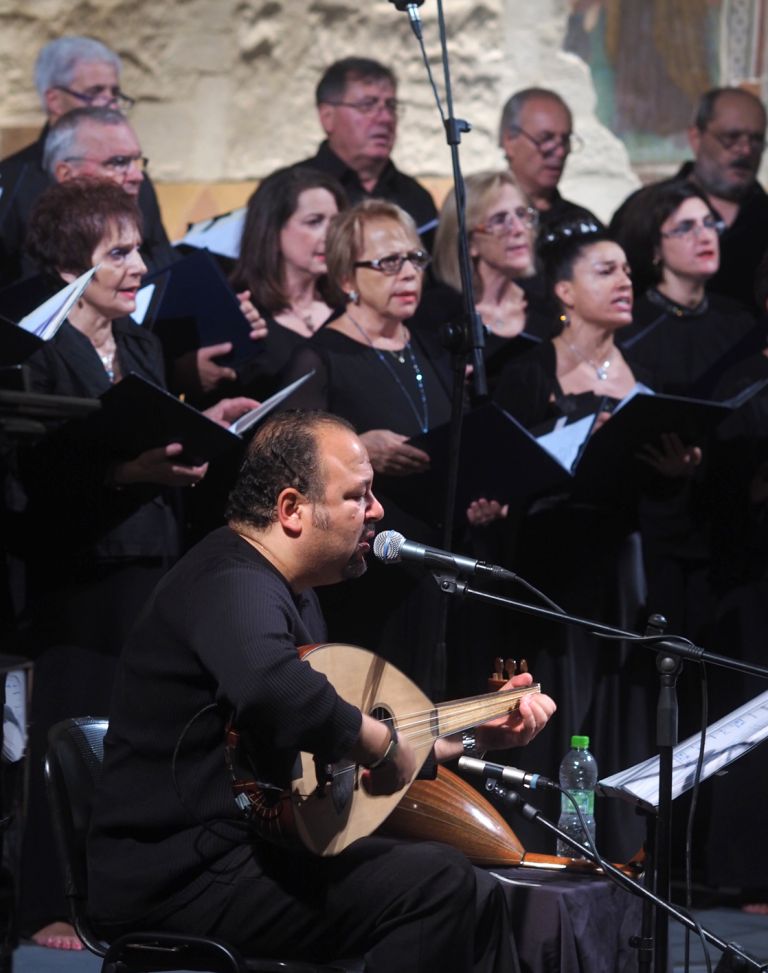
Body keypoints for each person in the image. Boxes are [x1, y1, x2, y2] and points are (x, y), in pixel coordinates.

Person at [86, 409, 556, 972]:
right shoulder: (229, 581)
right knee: (435, 884)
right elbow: (273, 687)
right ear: (292, 510)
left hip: (252, 853)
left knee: (461, 887)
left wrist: (471, 740)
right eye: (359, 496)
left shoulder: (294, 593)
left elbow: (327, 759)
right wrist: (382, 744)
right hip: (180, 876)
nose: (378, 512)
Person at [13, 179, 256, 950]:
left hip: (154, 563)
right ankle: (51, 902)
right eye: (116, 252)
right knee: (66, 735)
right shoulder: (40, 354)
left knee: (141, 736)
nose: (138, 266)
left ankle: (134, 895)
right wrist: (125, 474)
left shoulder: (145, 347)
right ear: (67, 269)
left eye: (138, 248)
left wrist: (208, 430)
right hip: (79, 576)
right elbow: (32, 479)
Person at [282, 199, 453, 694]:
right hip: (364, 573)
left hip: (431, 564)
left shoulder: (428, 348)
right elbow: (290, 462)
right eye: (387, 262)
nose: (407, 274)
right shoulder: (319, 357)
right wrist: (359, 448)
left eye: (415, 260)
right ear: (347, 278)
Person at [0, 36, 174, 287]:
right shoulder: (12, 181)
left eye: (114, 92)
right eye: (95, 92)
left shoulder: (138, 180)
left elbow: (163, 259)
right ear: (55, 101)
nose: (110, 103)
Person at [611, 87, 768, 310]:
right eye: (731, 137)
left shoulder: (763, 214)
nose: (745, 150)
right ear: (696, 137)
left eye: (756, 140)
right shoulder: (645, 209)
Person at [613, 179, 759, 397]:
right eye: (685, 228)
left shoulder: (740, 322)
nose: (704, 237)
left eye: (709, 223)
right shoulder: (631, 333)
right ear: (655, 249)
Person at [230, 165, 347, 401]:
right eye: (314, 222)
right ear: (271, 229)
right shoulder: (243, 312)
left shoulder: (347, 305)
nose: (330, 235)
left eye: (336, 222)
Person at [430, 169, 554, 392]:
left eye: (522, 214)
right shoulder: (442, 320)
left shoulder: (547, 310)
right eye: (499, 220)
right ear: (470, 243)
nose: (518, 229)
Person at [294, 57, 437, 244]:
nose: (386, 118)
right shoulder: (291, 190)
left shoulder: (415, 197)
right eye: (367, 105)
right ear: (327, 116)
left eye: (391, 106)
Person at [498, 88, 597, 231]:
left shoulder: (584, 227)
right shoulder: (480, 219)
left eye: (564, 140)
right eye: (545, 139)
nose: (560, 152)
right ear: (509, 141)